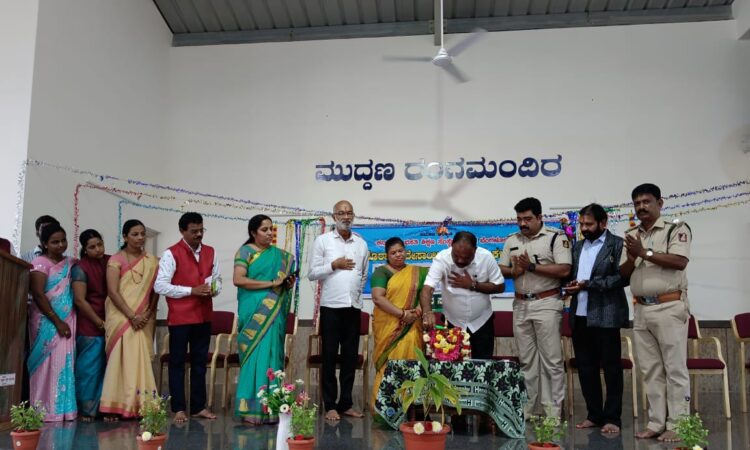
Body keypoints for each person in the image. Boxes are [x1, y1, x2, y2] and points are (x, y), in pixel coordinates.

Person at [620, 183, 691, 443]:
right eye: (637, 203)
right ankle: (656, 423)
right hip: (641, 308)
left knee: (675, 368)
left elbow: (679, 261)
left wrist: (644, 252)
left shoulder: (675, 228)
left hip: (669, 306)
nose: (641, 207)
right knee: (650, 370)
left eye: (646, 201)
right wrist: (632, 257)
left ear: (659, 203)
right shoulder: (631, 234)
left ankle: (679, 424)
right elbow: (623, 275)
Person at [499, 197, 571, 418]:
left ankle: (552, 412)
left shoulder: (555, 237)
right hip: (520, 304)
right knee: (526, 360)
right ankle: (529, 410)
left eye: (528, 219)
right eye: (519, 219)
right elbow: (502, 269)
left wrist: (531, 267)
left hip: (547, 303)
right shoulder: (512, 240)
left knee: (551, 360)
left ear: (539, 217)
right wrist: (514, 271)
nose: (523, 223)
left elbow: (564, 269)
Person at [563, 204, 628, 434]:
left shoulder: (617, 245)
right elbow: (572, 275)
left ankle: (612, 418)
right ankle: (594, 414)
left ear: (603, 223)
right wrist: (571, 285)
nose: (584, 228)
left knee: (611, 368)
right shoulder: (577, 246)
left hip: (606, 314)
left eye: (589, 224)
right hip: (580, 315)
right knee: (586, 368)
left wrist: (589, 285)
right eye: (581, 224)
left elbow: (623, 278)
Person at [155, 212, 221, 423]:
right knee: (177, 363)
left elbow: (217, 279)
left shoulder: (210, 251)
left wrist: (215, 288)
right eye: (194, 231)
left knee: (199, 363)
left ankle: (199, 407)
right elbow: (160, 285)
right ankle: (178, 408)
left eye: (201, 230)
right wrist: (191, 291)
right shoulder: (171, 253)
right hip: (181, 318)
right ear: (182, 231)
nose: (199, 234)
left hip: (204, 316)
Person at [308, 200, 369, 422]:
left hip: (353, 308)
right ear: (334, 217)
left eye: (349, 212)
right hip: (331, 307)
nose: (346, 216)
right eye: (341, 213)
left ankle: (346, 403)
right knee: (330, 356)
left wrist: (356, 294)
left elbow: (363, 274)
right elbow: (312, 273)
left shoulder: (361, 243)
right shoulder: (323, 241)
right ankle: (330, 405)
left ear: (353, 215)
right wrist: (333, 265)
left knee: (350, 358)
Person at [233, 214, 295, 424]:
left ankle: (273, 408)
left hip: (274, 313)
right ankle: (251, 410)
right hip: (253, 312)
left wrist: (286, 284)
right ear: (253, 232)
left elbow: (280, 284)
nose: (269, 233)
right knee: (254, 358)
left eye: (271, 229)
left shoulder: (280, 256)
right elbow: (238, 279)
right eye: (264, 230)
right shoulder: (246, 252)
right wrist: (271, 283)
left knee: (272, 355)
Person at [99, 219, 160, 419]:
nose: (140, 237)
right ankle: (116, 406)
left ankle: (143, 404)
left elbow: (156, 290)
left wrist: (148, 313)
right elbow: (113, 292)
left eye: (142, 234)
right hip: (121, 317)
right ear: (125, 237)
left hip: (144, 317)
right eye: (135, 234)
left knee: (139, 360)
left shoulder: (153, 261)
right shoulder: (115, 260)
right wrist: (132, 316)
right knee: (120, 361)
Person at [420, 231, 505, 360]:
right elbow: (427, 289)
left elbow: (500, 287)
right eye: (456, 256)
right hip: (452, 323)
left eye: (466, 258)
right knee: (452, 366)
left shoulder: (486, 258)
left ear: (475, 250)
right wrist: (427, 312)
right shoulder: (442, 259)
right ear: (451, 246)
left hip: (481, 323)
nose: (460, 260)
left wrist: (473, 285)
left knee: (483, 365)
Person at [370, 237, 427, 411]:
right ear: (387, 255)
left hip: (412, 326)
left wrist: (416, 313)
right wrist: (402, 314)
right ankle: (385, 408)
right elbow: (378, 298)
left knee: (413, 362)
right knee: (390, 364)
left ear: (406, 251)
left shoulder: (417, 272)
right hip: (389, 327)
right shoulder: (381, 272)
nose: (398, 255)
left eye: (400, 251)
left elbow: (425, 295)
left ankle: (413, 407)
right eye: (393, 253)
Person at [28, 222, 77, 421]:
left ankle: (64, 411)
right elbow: (38, 295)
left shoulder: (70, 263)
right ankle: (43, 410)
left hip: (68, 319)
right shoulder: (39, 263)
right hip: (46, 322)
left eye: (63, 240)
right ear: (45, 244)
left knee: (65, 363)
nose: (61, 245)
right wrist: (57, 322)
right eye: (55, 242)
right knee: (45, 365)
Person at [71, 229, 110, 421]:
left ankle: (104, 409)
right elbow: (80, 300)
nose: (98, 249)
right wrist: (99, 322)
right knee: (89, 369)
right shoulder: (81, 267)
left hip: (111, 321)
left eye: (100, 244)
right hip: (90, 324)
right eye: (92, 247)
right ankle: (86, 410)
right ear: (85, 250)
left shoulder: (111, 261)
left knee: (108, 367)